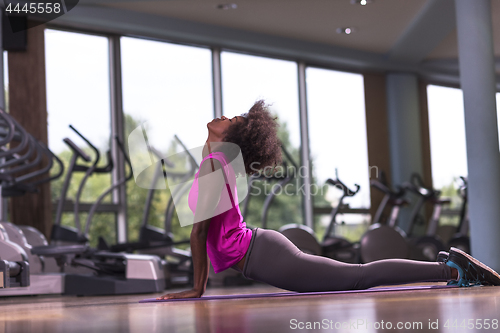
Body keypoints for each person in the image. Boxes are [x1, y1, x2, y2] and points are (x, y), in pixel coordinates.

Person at [157, 100, 500, 300]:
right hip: (261, 250)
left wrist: (196, 288)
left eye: (230, 120)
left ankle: (450, 269)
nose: (223, 115)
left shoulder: (216, 164)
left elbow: (200, 233)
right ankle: (450, 267)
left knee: (358, 278)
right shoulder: (214, 161)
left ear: (230, 137)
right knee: (357, 276)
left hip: (261, 255)